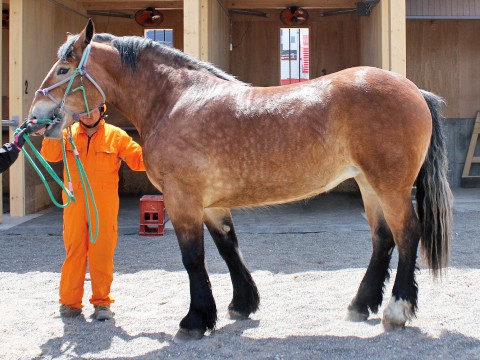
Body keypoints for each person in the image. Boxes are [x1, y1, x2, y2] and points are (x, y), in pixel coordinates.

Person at [41, 104, 146, 320]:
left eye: (93, 109)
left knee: (102, 253)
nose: (89, 114)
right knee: (74, 252)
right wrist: (52, 129)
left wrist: (162, 150)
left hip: (104, 205)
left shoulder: (116, 136)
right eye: (84, 110)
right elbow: (49, 156)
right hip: (74, 203)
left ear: (101, 110)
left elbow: (138, 161)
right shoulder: (66, 134)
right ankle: (70, 303)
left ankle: (102, 303)